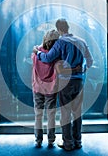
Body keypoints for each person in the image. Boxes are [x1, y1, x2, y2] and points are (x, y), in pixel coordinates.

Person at [33, 18, 93, 151]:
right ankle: (78, 141)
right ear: (68, 27)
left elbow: (48, 58)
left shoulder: (60, 42)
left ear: (59, 30)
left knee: (65, 112)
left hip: (65, 82)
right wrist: (80, 70)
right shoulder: (81, 41)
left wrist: (38, 53)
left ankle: (68, 143)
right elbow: (90, 61)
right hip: (79, 81)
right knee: (77, 112)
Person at [31, 29, 60, 148]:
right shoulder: (56, 55)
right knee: (51, 114)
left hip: (37, 87)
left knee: (38, 114)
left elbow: (34, 56)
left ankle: (38, 139)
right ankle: (51, 139)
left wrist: (37, 48)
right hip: (51, 88)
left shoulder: (35, 53)